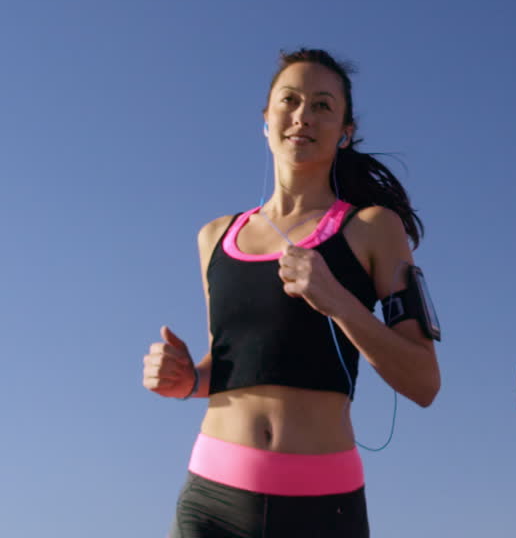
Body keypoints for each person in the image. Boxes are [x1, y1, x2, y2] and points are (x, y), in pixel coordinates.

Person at [142, 48, 441, 538]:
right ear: (266, 119)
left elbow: (424, 382)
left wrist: (337, 300)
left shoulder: (372, 229)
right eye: (290, 100)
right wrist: (186, 380)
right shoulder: (214, 236)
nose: (303, 115)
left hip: (322, 508)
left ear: (346, 132)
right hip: (210, 500)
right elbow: (233, 361)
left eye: (323, 105)